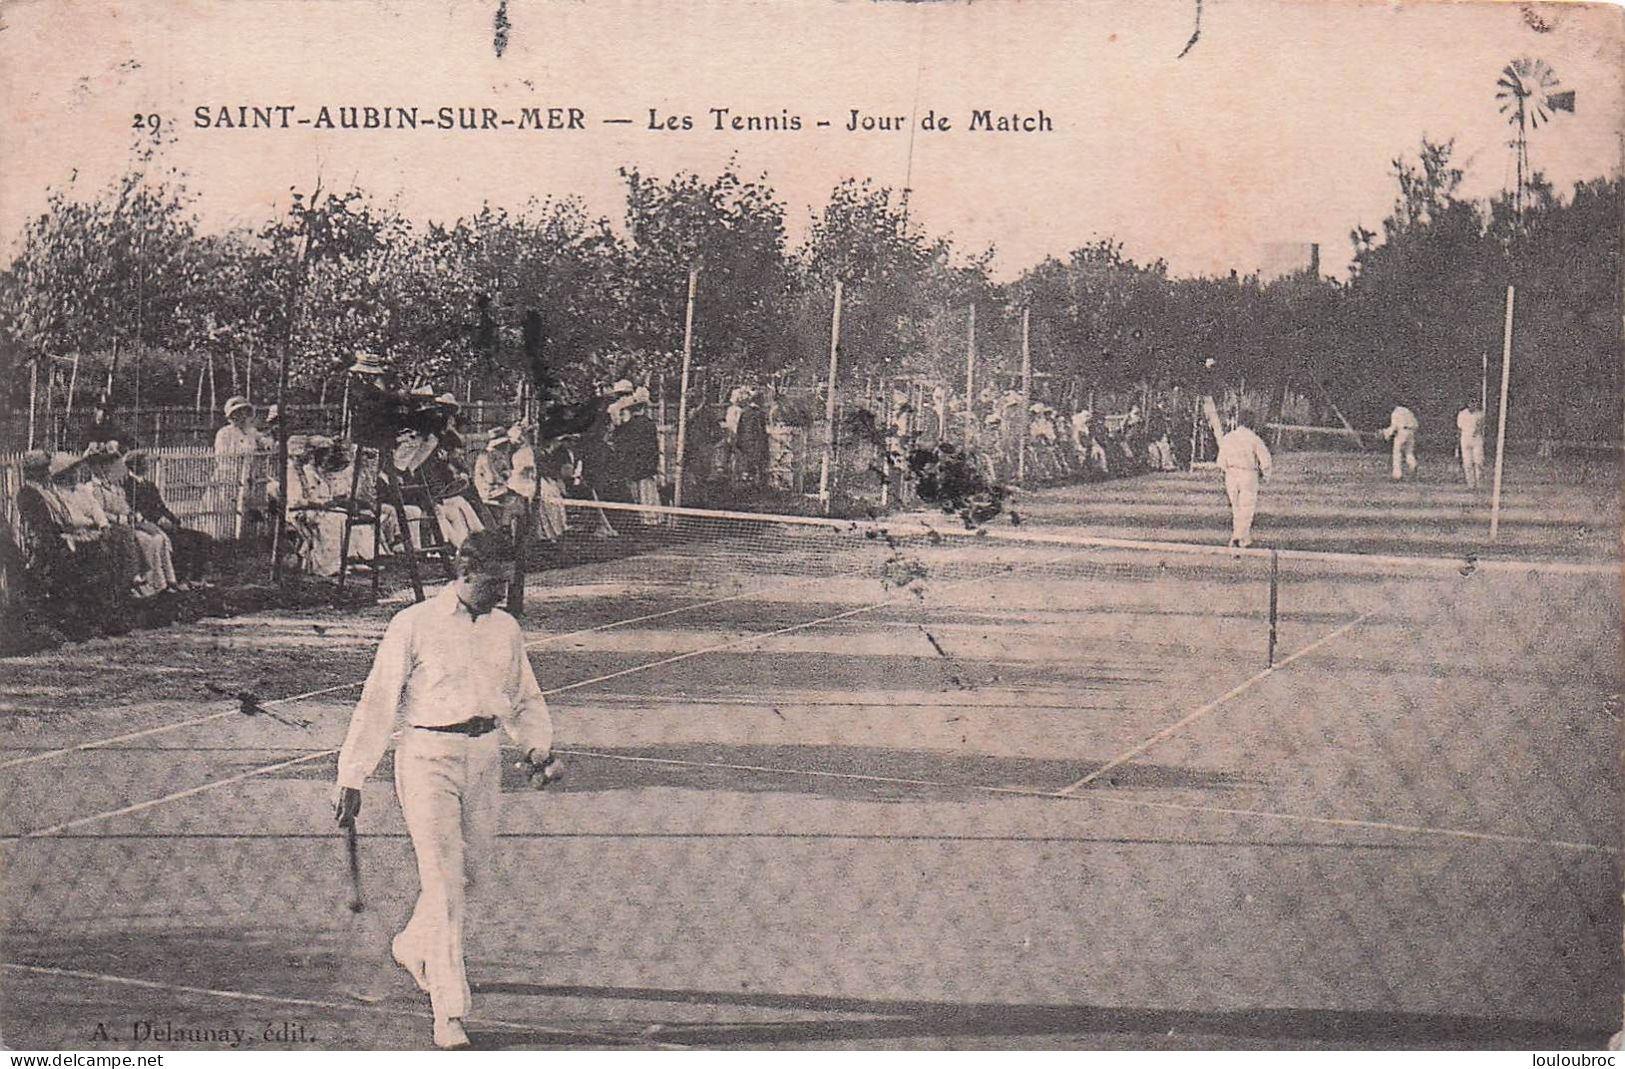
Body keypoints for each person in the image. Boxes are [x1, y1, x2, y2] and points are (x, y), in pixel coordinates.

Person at [331, 531, 556, 1050]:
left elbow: (523, 698)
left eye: (508, 582)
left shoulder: (506, 628)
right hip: (427, 758)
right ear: (464, 570)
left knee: (468, 878)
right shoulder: (413, 624)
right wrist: (352, 774)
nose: (502, 592)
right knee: (446, 884)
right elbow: (378, 702)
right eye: (494, 582)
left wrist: (536, 748)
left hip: (484, 759)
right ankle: (449, 1010)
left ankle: (412, 945)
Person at [124, 451, 214, 585]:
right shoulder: (128, 486)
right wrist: (158, 519)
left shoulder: (149, 485)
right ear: (135, 465)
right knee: (181, 542)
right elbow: (137, 510)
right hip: (149, 526)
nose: (148, 466)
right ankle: (179, 579)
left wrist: (173, 519)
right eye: (144, 463)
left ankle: (197, 578)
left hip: (164, 523)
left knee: (203, 537)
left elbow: (162, 506)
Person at [214, 396, 273, 540]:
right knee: (228, 510)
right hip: (229, 476)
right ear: (231, 415)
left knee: (248, 508)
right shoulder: (224, 433)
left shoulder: (250, 432)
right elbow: (222, 456)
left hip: (248, 476)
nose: (241, 416)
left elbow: (266, 442)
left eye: (244, 412)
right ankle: (225, 539)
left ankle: (245, 539)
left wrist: (268, 442)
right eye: (237, 413)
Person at [1216, 410, 1273, 549]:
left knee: (1236, 508)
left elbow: (1221, 460)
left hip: (1231, 474)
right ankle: (1238, 537)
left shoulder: (1229, 437)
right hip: (1248, 474)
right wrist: (1266, 475)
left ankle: (1243, 539)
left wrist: (1224, 471)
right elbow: (1265, 460)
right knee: (1247, 508)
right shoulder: (1254, 438)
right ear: (1251, 422)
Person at [613, 388, 662, 521]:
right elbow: (653, 447)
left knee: (638, 493)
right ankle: (650, 519)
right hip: (645, 466)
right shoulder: (649, 424)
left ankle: (643, 519)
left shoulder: (628, 425)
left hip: (633, 465)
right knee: (647, 493)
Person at [1381, 403, 1420, 480]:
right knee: (1409, 452)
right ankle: (1413, 463)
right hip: (1411, 432)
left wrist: (1386, 434)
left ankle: (1397, 474)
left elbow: (1394, 427)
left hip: (1401, 432)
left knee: (1397, 453)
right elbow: (1416, 424)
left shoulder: (1396, 413)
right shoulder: (1408, 412)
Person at [1457, 399, 1486, 490]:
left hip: (1476, 439)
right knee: (1467, 463)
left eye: (1474, 403)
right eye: (1471, 403)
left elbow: (1481, 427)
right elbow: (1459, 428)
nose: (1472, 405)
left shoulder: (1480, 414)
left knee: (1478, 462)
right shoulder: (1462, 414)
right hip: (1465, 438)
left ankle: (1479, 483)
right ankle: (1470, 484)